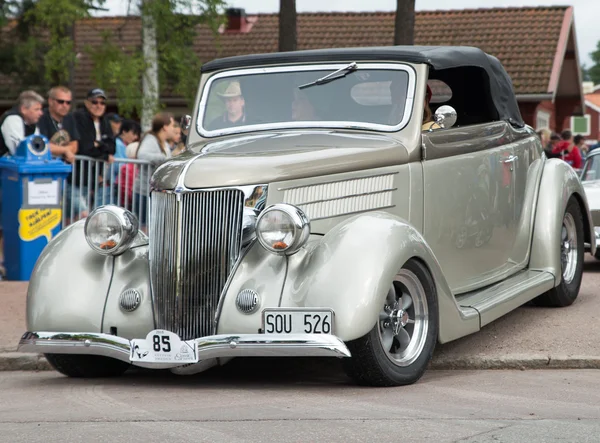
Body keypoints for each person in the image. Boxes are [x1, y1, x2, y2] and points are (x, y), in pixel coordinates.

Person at [73, 88, 116, 209]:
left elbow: (112, 147)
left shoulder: (105, 121)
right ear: (86, 103)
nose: (99, 106)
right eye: (94, 102)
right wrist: (105, 155)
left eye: (102, 103)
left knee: (91, 213)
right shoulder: (79, 117)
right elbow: (84, 147)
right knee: (80, 214)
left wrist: (99, 145)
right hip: (77, 176)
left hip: (95, 178)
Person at [133, 112, 178, 226]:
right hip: (144, 192)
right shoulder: (151, 139)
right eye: (172, 125)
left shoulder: (164, 142)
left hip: (154, 192)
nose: (174, 129)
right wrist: (165, 158)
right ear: (165, 127)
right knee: (146, 227)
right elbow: (142, 155)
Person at [38, 86, 80, 164]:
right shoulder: (41, 117)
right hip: (44, 166)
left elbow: (75, 145)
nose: (65, 105)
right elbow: (43, 145)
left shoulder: (70, 118)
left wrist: (63, 150)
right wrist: (66, 150)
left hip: (63, 167)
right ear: (50, 101)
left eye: (68, 103)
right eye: (61, 101)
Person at [0, 90, 44, 157]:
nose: (41, 113)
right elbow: (18, 150)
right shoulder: (12, 119)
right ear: (24, 109)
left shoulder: (32, 123)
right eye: (37, 109)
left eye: (40, 109)